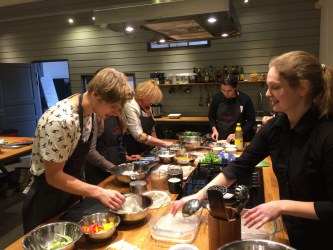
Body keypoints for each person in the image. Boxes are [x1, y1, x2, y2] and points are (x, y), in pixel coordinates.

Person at [173, 51, 333, 250]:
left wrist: (282, 205)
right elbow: (238, 167)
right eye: (268, 86)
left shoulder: (326, 135)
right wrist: (199, 195)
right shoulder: (275, 128)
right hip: (293, 232)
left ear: (302, 87)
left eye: (275, 87)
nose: (267, 94)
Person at [22, 68, 133, 233]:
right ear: (95, 94)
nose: (116, 112)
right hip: (47, 199)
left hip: (70, 194)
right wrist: (97, 191)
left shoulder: (92, 113)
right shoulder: (60, 120)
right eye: (113, 106)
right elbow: (53, 177)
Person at [85, 114, 140, 185]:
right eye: (114, 106)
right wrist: (115, 169)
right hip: (99, 171)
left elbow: (119, 141)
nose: (116, 110)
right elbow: (90, 152)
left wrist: (125, 156)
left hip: (117, 169)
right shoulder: (95, 117)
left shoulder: (118, 115)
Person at [123, 79, 173, 155]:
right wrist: (163, 143)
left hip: (145, 148)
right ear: (143, 96)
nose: (152, 102)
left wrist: (157, 146)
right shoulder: (130, 106)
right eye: (151, 100)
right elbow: (139, 136)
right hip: (133, 149)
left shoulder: (147, 105)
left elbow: (151, 128)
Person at [208, 74, 255, 143]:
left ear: (236, 87)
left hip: (239, 139)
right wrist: (214, 130)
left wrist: (239, 133)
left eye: (229, 91)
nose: (226, 94)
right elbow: (211, 116)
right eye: (223, 90)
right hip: (221, 139)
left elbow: (251, 121)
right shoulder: (217, 98)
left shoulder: (244, 99)